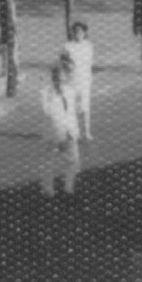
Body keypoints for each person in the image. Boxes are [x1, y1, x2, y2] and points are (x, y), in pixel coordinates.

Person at [38, 57, 83, 198]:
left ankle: (68, 188)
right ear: (53, 76)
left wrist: (72, 130)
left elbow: (74, 111)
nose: (60, 78)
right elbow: (47, 111)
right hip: (54, 132)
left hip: (67, 131)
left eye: (62, 75)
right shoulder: (45, 93)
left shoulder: (70, 91)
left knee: (73, 161)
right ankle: (48, 190)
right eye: (57, 75)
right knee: (49, 162)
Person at [63, 21, 96, 142]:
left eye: (81, 32)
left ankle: (86, 132)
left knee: (85, 107)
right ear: (72, 32)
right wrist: (67, 67)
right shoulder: (67, 46)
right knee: (70, 106)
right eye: (76, 31)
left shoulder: (89, 46)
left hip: (84, 80)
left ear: (85, 33)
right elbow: (63, 62)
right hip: (70, 80)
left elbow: (89, 63)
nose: (78, 34)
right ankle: (71, 132)